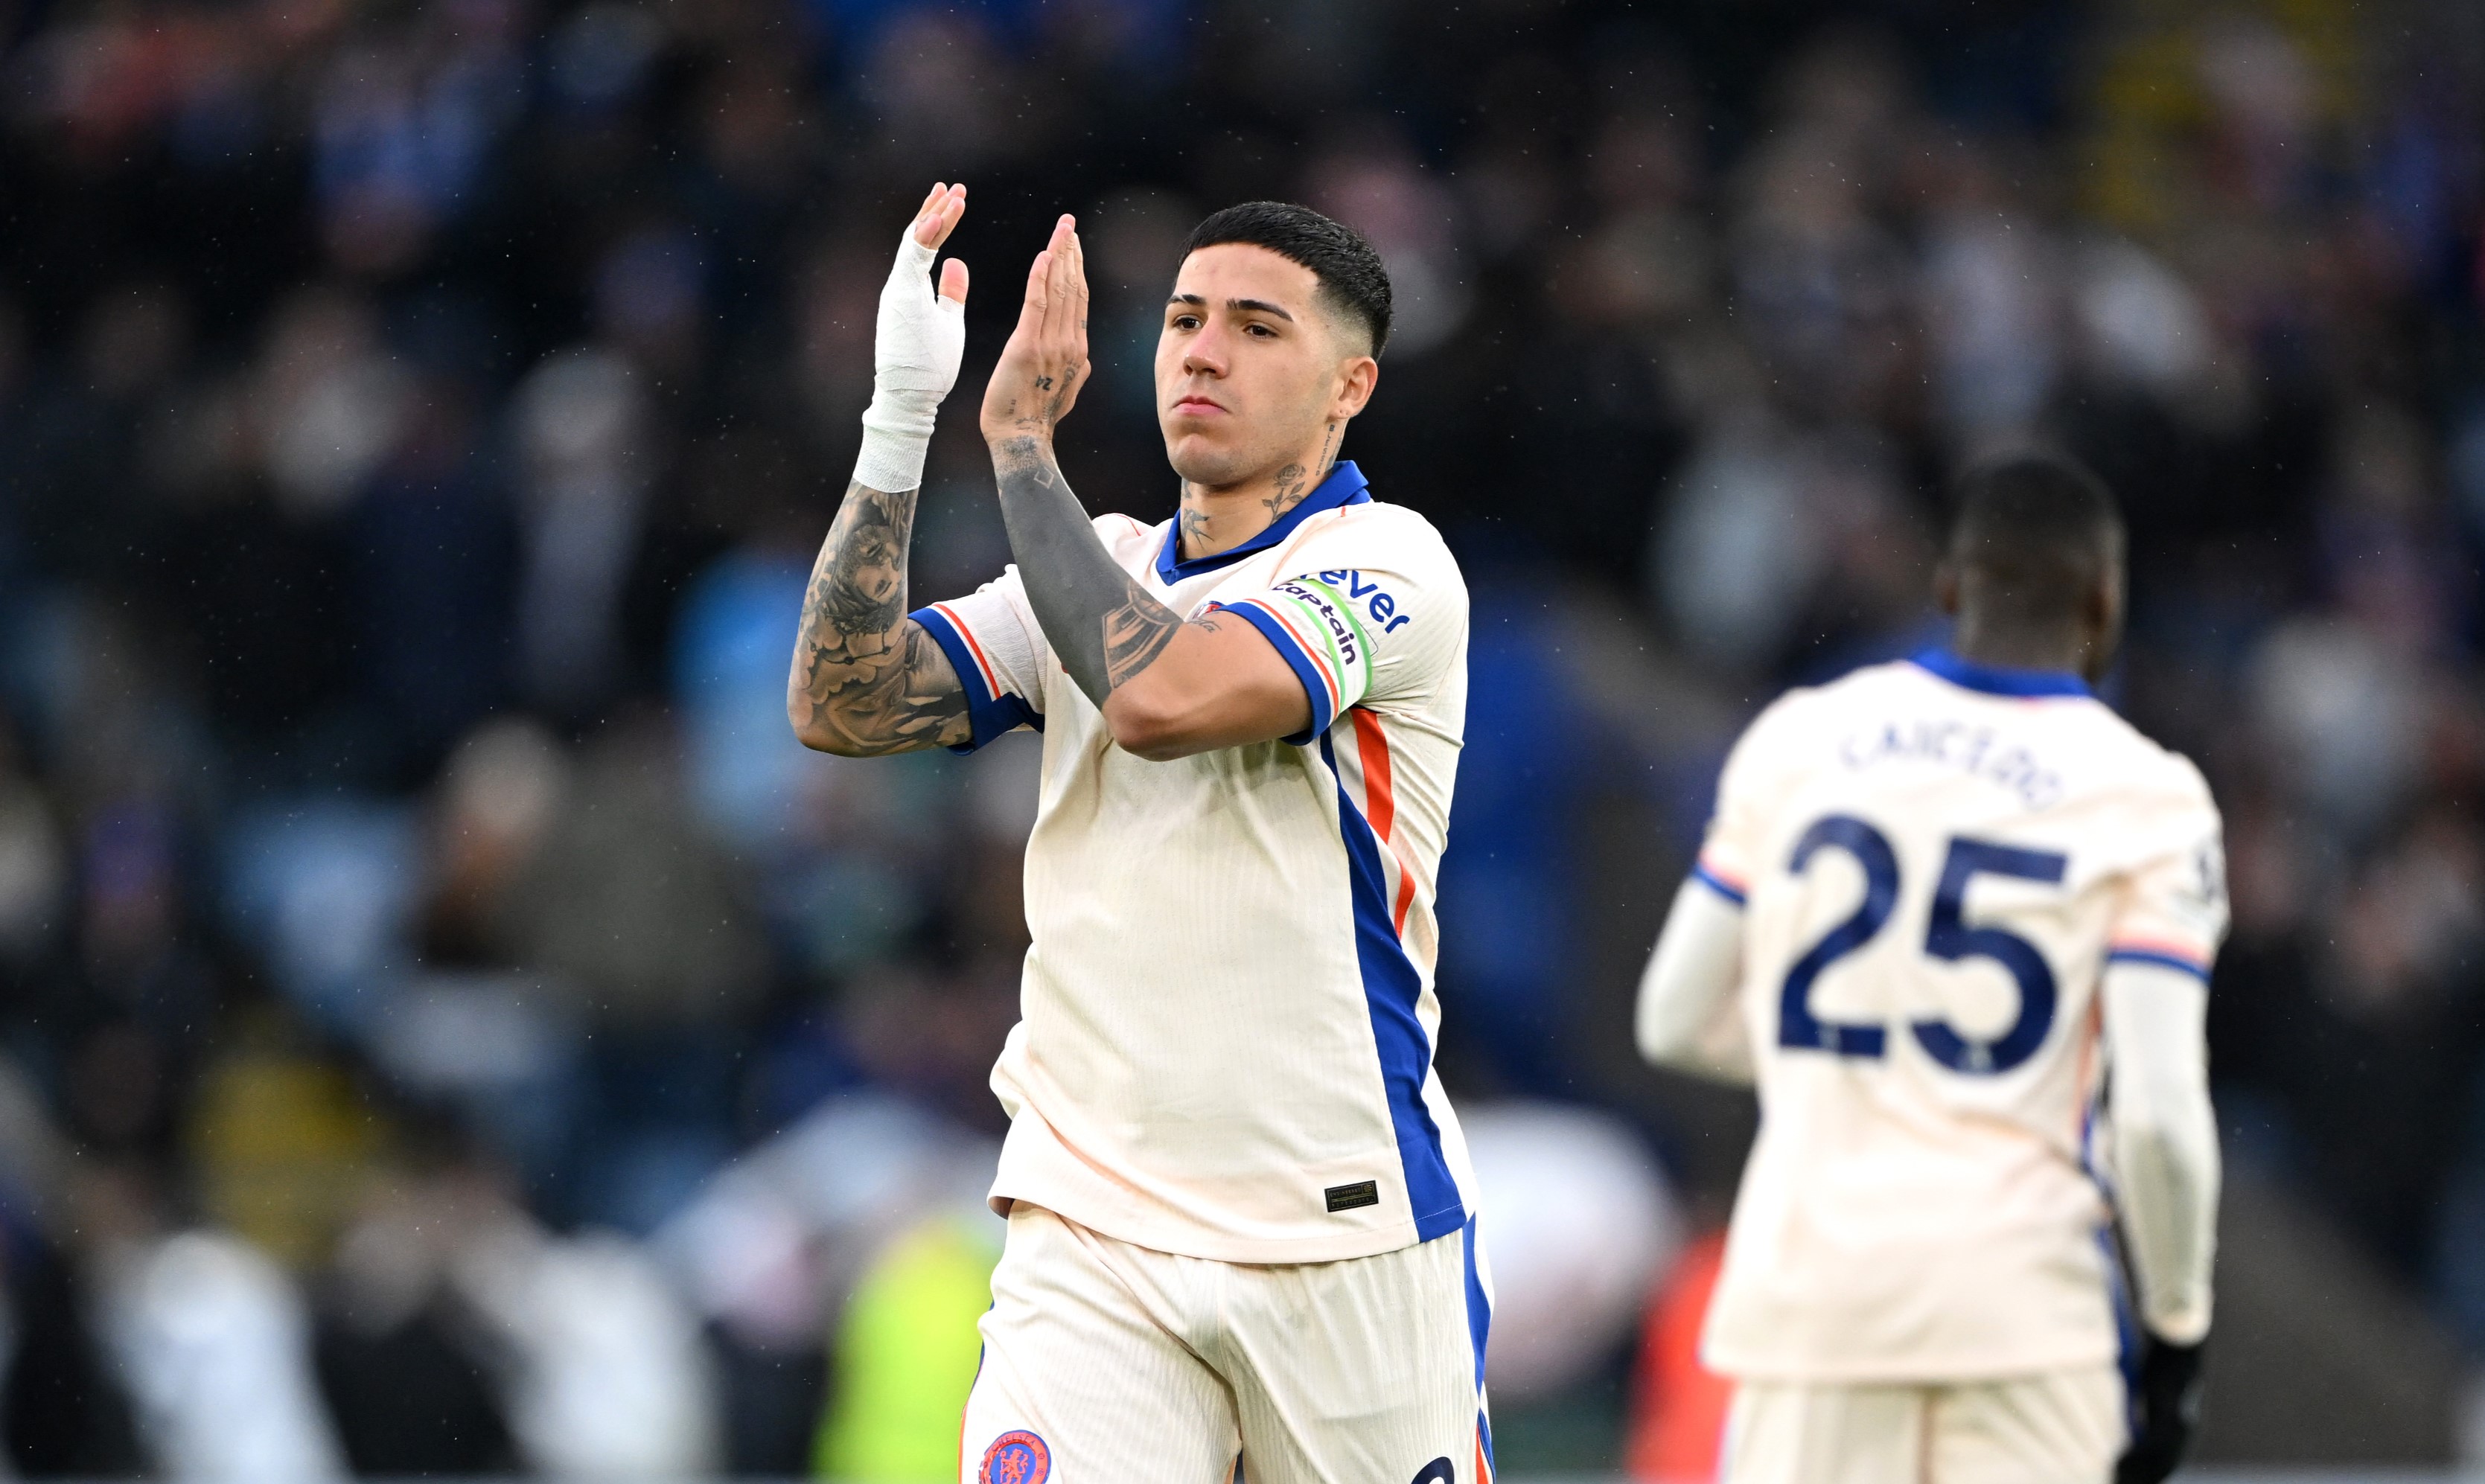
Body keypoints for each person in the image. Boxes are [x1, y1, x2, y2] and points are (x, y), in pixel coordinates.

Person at [788, 185, 1492, 1483]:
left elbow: (1168, 698)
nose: (1202, 351)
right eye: (1181, 318)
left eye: (1256, 327)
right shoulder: (1095, 561)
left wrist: (1017, 450)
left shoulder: (1388, 564)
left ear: (1350, 385)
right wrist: (898, 424)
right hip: (1090, 1223)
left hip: (1338, 1225)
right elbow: (842, 702)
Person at [1635, 452, 2223, 1484]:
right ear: (2103, 599)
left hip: (1807, 1304)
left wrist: (1863, 1063)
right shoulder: (2149, 798)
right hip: (2018, 1311)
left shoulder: (1800, 737)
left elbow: (1673, 1018)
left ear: (1949, 587)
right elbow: (2155, 1117)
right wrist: (2176, 1333)